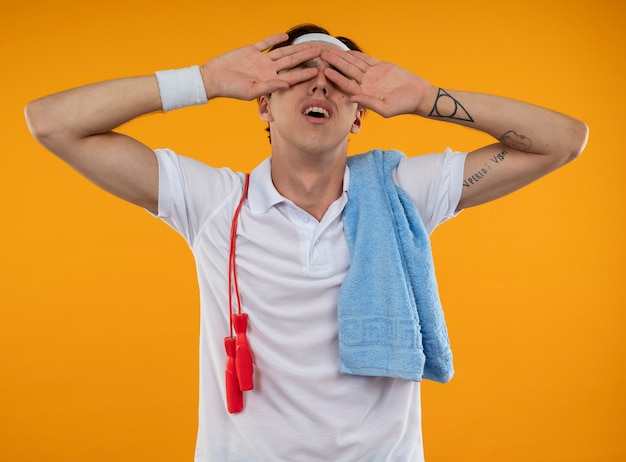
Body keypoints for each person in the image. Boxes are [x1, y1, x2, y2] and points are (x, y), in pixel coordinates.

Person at [25, 23, 588, 461]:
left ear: (361, 113)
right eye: (297, 72)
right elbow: (51, 122)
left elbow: (562, 141)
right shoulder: (214, 203)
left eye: (341, 77)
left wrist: (426, 98)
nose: (320, 84)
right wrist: (202, 80)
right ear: (264, 103)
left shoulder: (402, 195)